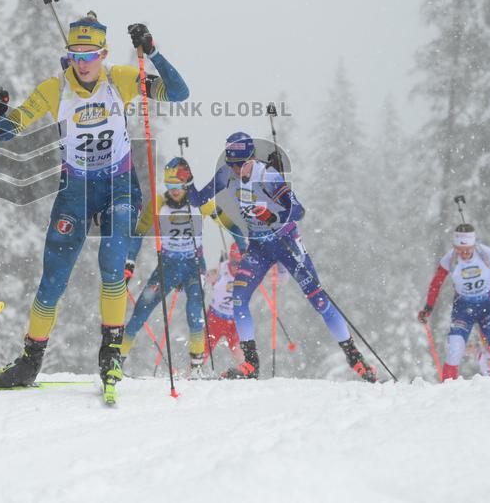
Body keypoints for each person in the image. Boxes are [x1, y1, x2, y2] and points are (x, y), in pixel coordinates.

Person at [0, 13, 188, 401]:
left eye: (90, 54)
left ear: (104, 53)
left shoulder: (121, 79)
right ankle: (29, 360)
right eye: (76, 54)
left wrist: (152, 51)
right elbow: (13, 128)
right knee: (53, 280)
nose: (83, 62)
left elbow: (178, 93)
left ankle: (110, 355)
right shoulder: (54, 88)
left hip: (119, 187)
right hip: (75, 191)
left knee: (112, 265)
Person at [189, 132, 376, 381]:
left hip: (286, 243)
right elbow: (198, 199)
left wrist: (271, 214)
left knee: (319, 300)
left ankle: (354, 356)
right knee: (239, 298)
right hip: (259, 248)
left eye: (240, 164)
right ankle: (251, 364)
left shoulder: (269, 177)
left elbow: (298, 210)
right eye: (231, 164)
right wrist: (186, 180)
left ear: (252, 159)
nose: (235, 170)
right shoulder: (225, 174)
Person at [119, 157, 241, 377]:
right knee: (141, 310)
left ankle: (196, 368)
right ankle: (117, 360)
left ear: (187, 184)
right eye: (170, 186)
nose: (174, 191)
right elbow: (139, 232)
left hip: (194, 266)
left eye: (178, 186)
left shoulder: (201, 203)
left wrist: (244, 245)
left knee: (195, 314)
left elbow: (229, 224)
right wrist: (129, 261)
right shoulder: (158, 203)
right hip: (168, 266)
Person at [417, 223, 490, 380]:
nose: (464, 254)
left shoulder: (486, 254)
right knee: (455, 349)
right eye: (460, 250)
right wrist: (428, 308)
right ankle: (447, 392)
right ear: (454, 247)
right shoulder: (449, 259)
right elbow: (436, 284)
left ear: (474, 245)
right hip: (463, 309)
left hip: (489, 305)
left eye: (468, 250)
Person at [203, 243, 246, 372]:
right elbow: (208, 278)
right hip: (215, 318)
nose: (236, 268)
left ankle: (247, 374)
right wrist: (211, 274)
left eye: (239, 264)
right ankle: (190, 375)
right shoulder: (221, 268)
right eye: (233, 263)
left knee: (238, 351)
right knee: (203, 351)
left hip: (234, 320)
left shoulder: (246, 271)